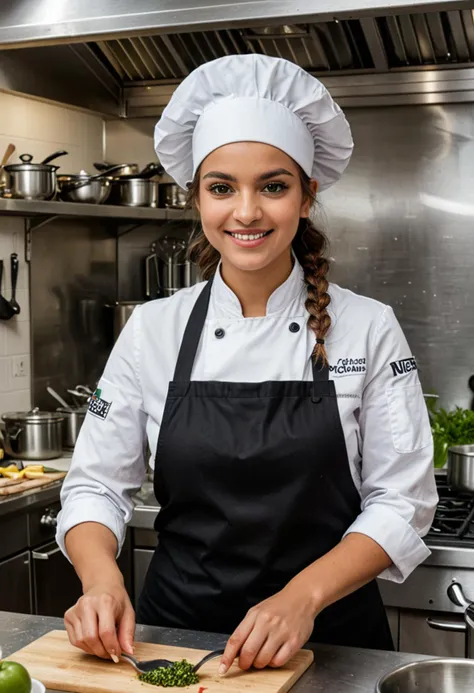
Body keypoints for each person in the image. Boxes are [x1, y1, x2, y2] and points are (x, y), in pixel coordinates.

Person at [57, 54, 437, 673]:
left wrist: (300, 598)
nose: (247, 212)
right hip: (170, 645)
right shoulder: (153, 330)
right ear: (197, 198)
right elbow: (97, 486)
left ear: (308, 195)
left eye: (274, 185)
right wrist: (100, 580)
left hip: (329, 643)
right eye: (222, 187)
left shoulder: (368, 327)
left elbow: (403, 501)